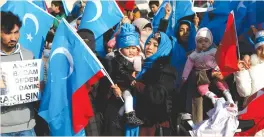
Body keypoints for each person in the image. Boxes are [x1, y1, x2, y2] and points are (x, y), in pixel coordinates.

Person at [112, 31, 177, 136]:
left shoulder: (166, 71)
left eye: (155, 45)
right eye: (148, 43)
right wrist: (120, 92)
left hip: (152, 126)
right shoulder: (141, 66)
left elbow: (157, 96)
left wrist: (137, 84)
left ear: (163, 48)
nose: (149, 47)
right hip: (136, 124)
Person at [1, 11, 44, 136]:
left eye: (16, 32)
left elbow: (39, 87)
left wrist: (39, 87)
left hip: (26, 127)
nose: (13, 38)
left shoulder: (28, 56)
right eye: (8, 33)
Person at [182, 27, 234, 105]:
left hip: (214, 69)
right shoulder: (194, 54)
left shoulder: (213, 51)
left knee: (220, 82)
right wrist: (184, 76)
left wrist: (221, 68)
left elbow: (221, 59)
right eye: (200, 41)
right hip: (202, 73)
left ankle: (228, 96)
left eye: (206, 41)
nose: (203, 43)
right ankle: (214, 97)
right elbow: (188, 66)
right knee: (201, 88)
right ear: (196, 43)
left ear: (210, 42)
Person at [111, 24, 144, 128]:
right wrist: (132, 79)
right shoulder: (119, 59)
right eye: (128, 48)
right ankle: (130, 117)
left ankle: (119, 117)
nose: (131, 51)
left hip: (130, 85)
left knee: (126, 103)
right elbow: (122, 72)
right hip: (123, 85)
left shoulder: (137, 59)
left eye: (134, 48)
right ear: (121, 49)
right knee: (128, 98)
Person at [234, 30, 264, 136]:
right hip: (253, 114)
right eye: (260, 48)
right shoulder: (250, 65)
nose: (263, 52)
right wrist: (240, 71)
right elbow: (244, 92)